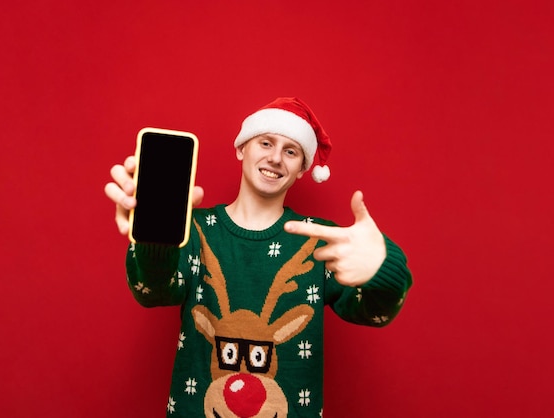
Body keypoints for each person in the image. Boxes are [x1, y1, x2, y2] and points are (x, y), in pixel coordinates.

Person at [104, 97, 412, 417]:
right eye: (266, 142)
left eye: (291, 151)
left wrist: (383, 267)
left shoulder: (319, 241)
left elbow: (376, 311)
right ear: (241, 149)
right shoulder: (192, 230)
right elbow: (151, 290)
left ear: (301, 169)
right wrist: (155, 239)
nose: (276, 158)